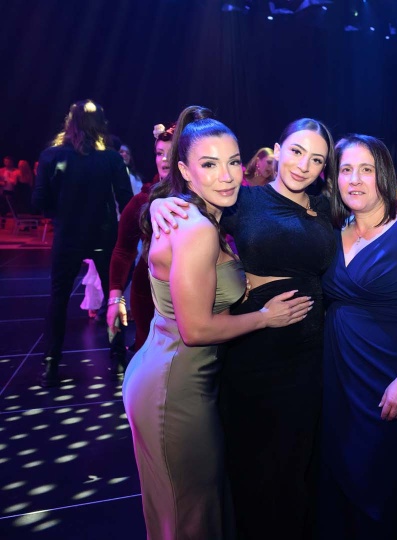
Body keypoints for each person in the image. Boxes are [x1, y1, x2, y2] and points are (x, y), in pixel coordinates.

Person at [123, 105, 312, 540]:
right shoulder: (197, 229)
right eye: (209, 165)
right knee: (190, 516)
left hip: (167, 372)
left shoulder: (199, 215)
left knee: (179, 509)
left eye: (233, 161)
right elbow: (197, 330)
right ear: (185, 172)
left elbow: (214, 284)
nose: (226, 176)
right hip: (174, 387)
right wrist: (265, 318)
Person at [319, 134, 397, 539]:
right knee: (333, 484)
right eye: (346, 170)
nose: (355, 180)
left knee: (373, 489)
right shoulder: (336, 228)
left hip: (382, 383)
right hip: (334, 377)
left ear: (385, 175)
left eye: (366, 170)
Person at [32, 100, 133, 387]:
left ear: (70, 123)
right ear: (101, 125)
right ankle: (118, 359)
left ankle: (51, 364)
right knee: (114, 296)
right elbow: (126, 201)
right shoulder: (111, 159)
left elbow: (38, 202)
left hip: (68, 235)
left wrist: (62, 210)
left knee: (59, 298)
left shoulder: (51, 156)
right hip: (104, 235)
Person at [107, 122, 176, 365]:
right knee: (151, 359)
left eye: (171, 153)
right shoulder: (143, 200)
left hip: (193, 291)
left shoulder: (204, 198)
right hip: (149, 292)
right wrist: (115, 298)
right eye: (159, 153)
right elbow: (123, 250)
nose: (164, 160)